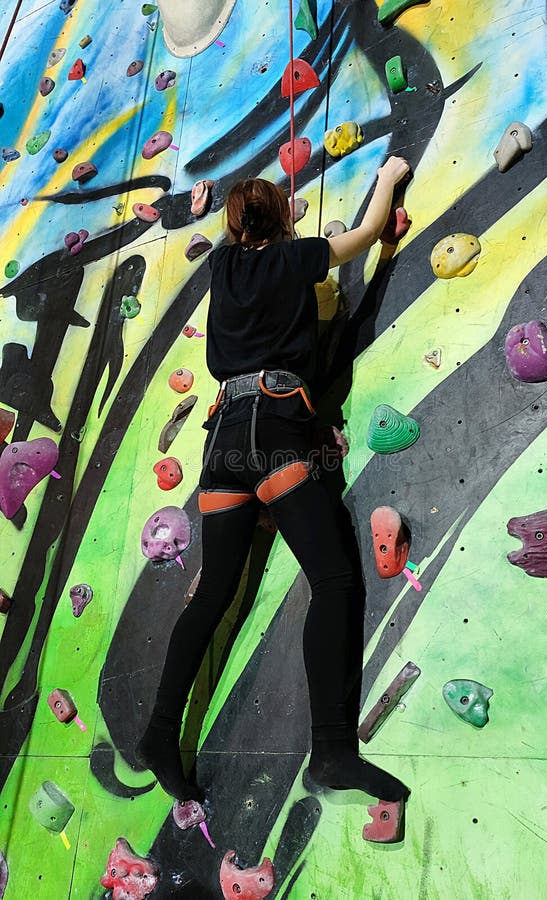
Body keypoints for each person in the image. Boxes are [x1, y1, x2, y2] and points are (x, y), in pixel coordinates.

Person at [136, 156, 412, 810]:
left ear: (235, 224)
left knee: (211, 599)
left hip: (224, 443)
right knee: (336, 579)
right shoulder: (295, 258)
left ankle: (157, 734)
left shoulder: (222, 266)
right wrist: (391, 173)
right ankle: (333, 749)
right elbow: (370, 232)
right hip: (277, 427)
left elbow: (255, 257)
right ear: (283, 217)